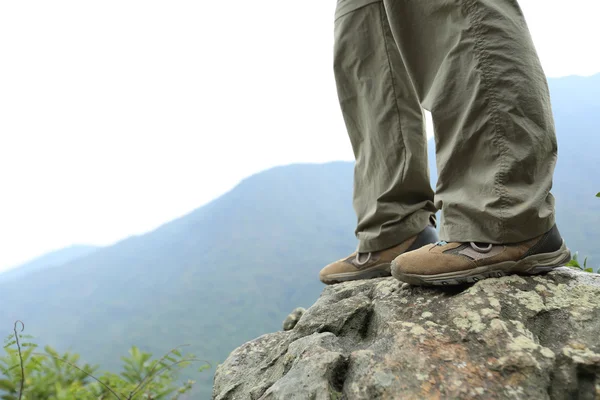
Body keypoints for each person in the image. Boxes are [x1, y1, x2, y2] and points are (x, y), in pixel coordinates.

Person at [319, 0, 571, 286]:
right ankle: (395, 229)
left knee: (449, 7)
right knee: (363, 25)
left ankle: (505, 216)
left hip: (507, 213)